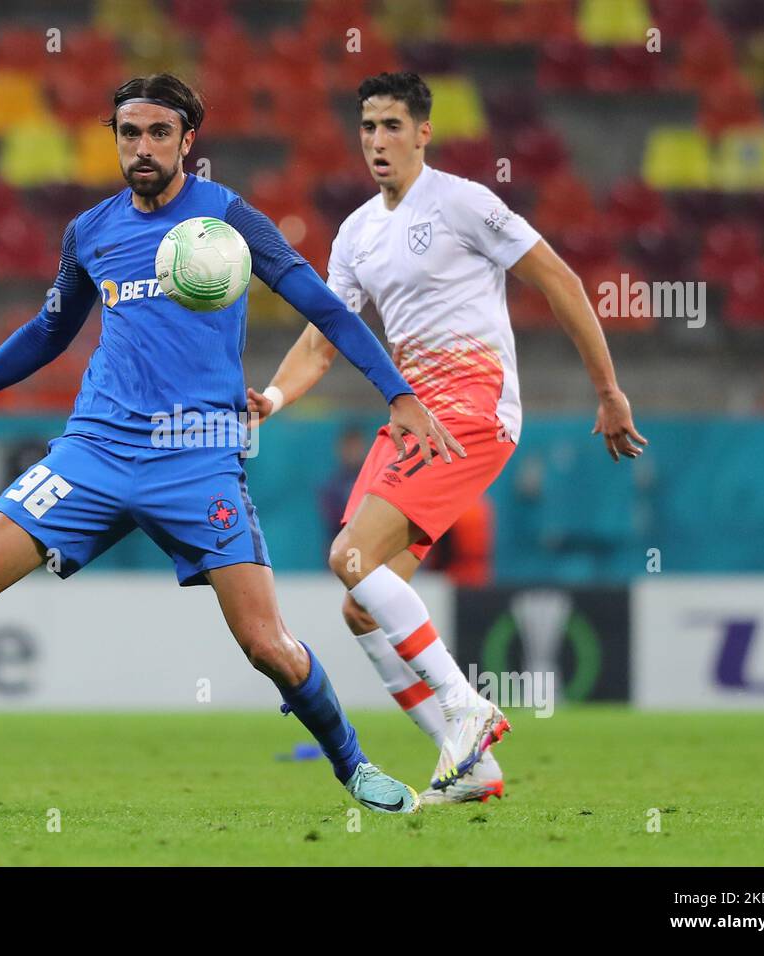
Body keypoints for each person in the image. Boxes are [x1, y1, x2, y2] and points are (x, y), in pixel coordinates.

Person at [0, 73, 462, 815]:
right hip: (95, 450)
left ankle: (353, 767)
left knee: (266, 645)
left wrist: (399, 392)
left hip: (198, 455)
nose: (142, 148)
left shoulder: (230, 220)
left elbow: (327, 309)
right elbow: (49, 332)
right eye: (128, 133)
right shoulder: (91, 232)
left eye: (158, 133)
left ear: (189, 141)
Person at [249, 72, 646, 800]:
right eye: (367, 126)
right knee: (361, 601)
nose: (377, 141)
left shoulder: (464, 202)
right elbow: (321, 341)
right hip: (412, 414)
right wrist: (271, 397)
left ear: (424, 132)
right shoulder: (358, 233)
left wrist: (609, 390)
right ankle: (470, 766)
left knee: (350, 554)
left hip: (474, 406)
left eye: (393, 126)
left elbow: (557, 279)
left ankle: (467, 706)